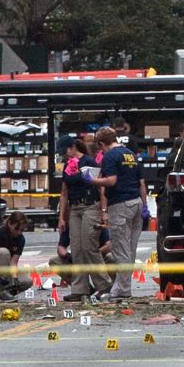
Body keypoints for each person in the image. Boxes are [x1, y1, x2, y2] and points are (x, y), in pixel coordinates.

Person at [87, 126, 148, 301]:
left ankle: (120, 290)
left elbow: (111, 181)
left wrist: (92, 180)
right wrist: (144, 206)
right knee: (130, 249)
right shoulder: (130, 154)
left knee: (121, 250)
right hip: (136, 203)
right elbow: (141, 182)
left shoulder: (109, 156)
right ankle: (124, 288)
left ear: (101, 143)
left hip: (120, 205)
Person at [55, 135, 112, 302]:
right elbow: (64, 192)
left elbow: (100, 188)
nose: (64, 155)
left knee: (89, 246)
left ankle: (104, 285)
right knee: (77, 248)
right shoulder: (67, 165)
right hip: (75, 208)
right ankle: (80, 289)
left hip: (90, 206)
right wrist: (61, 218)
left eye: (64, 150)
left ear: (73, 147)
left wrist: (103, 210)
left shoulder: (89, 162)